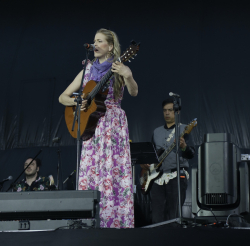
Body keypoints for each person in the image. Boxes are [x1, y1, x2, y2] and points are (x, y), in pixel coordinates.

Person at [59, 28, 138, 228]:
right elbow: (63, 97)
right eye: (94, 41)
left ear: (110, 47)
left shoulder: (118, 66)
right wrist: (78, 102)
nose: (95, 44)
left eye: (100, 41)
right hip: (91, 127)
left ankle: (115, 221)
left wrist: (128, 75)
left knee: (112, 171)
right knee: (92, 171)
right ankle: (90, 222)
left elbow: (134, 92)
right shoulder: (87, 69)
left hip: (111, 124)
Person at [141, 98, 195, 224]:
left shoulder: (185, 129)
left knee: (174, 216)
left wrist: (184, 147)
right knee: (156, 217)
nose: (167, 113)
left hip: (176, 176)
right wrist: (145, 164)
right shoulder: (156, 131)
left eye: (170, 110)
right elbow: (151, 154)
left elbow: (191, 154)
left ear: (177, 112)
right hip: (156, 178)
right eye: (165, 110)